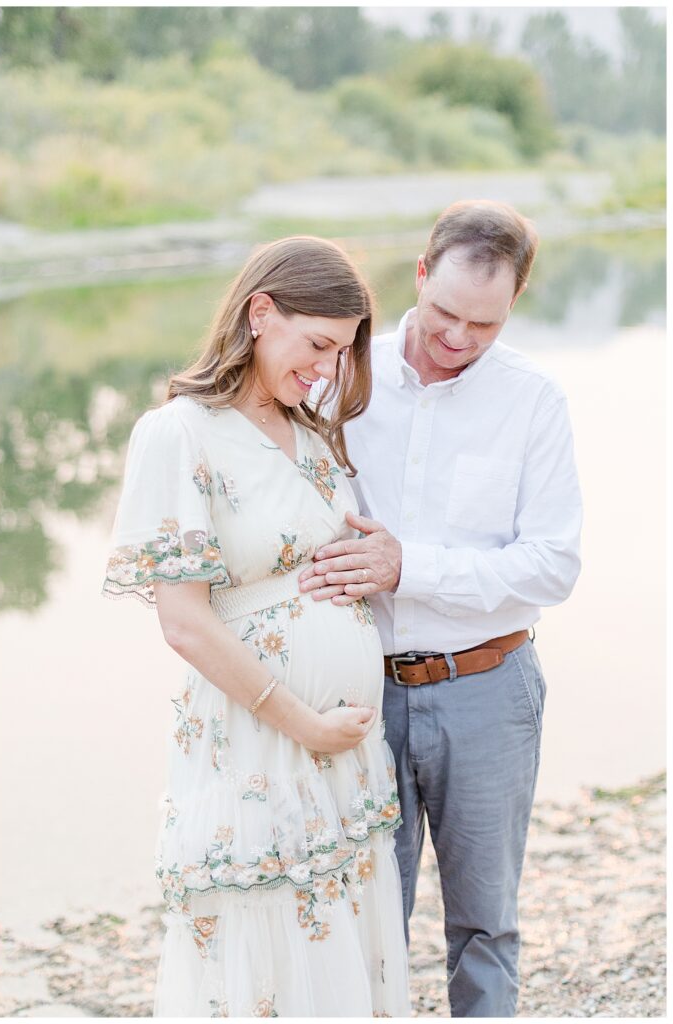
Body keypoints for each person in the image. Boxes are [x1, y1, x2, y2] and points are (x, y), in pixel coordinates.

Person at [102, 236, 411, 1017]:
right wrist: (302, 721)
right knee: (267, 949)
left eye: (341, 351)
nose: (327, 368)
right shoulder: (180, 434)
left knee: (340, 943)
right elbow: (184, 624)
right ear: (260, 311)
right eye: (317, 344)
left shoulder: (309, 434)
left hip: (339, 749)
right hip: (261, 737)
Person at [299, 201, 582, 1017]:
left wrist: (407, 568)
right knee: (363, 911)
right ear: (418, 276)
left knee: (485, 923)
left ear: (514, 305)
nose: (458, 338)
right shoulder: (339, 379)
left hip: (488, 690)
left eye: (483, 325)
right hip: (356, 690)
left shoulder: (533, 401)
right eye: (445, 313)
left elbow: (552, 565)